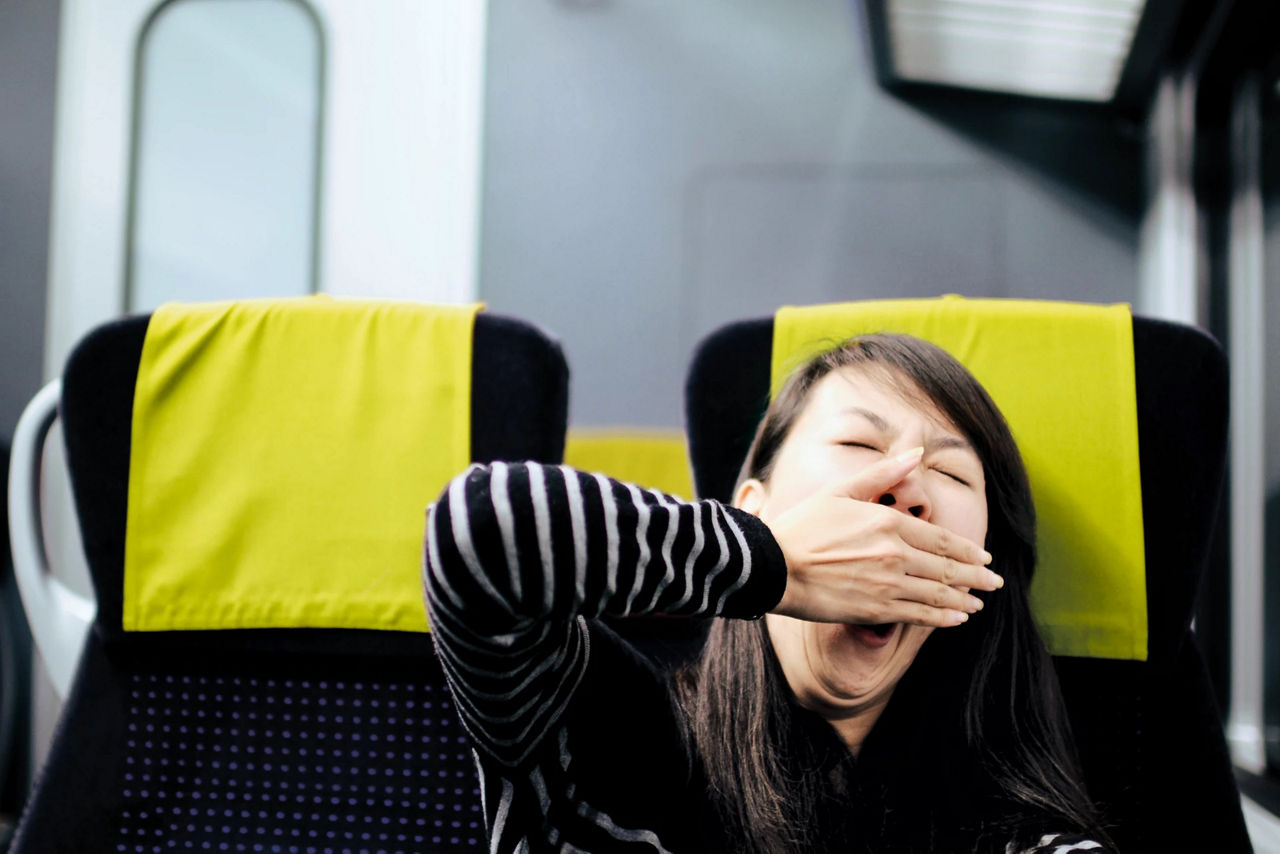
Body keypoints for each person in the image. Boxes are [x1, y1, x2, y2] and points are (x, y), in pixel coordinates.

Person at [423, 333, 1112, 853]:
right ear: (752, 507)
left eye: (955, 476)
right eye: (860, 445)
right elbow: (480, 529)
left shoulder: (1010, 832)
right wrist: (773, 562)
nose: (907, 484)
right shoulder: (608, 740)